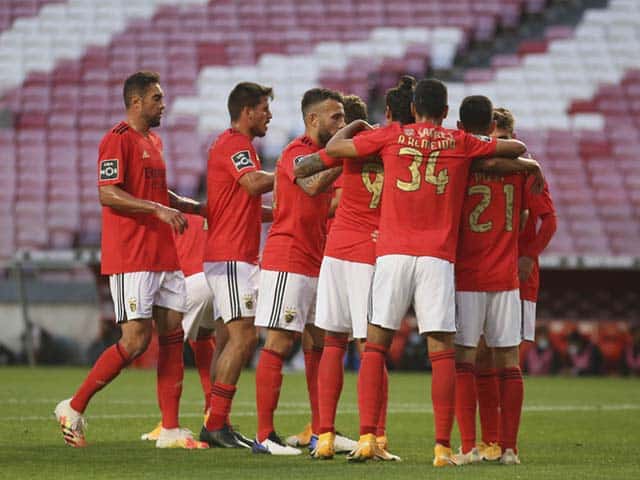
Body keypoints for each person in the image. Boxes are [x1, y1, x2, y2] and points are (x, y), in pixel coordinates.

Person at [322, 78, 542, 465]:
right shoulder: (460, 142)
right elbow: (515, 147)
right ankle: (442, 447)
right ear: (445, 112)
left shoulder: (392, 135)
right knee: (441, 352)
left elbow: (334, 148)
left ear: (412, 110)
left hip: (392, 254)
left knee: (375, 345)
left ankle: (369, 437)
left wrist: (357, 125)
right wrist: (528, 162)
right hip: (438, 258)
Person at [54, 71, 207, 449]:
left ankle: (170, 428)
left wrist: (190, 206)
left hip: (163, 253)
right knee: (136, 341)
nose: (163, 104)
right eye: (157, 98)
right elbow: (108, 193)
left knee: (173, 337)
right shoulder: (116, 140)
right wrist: (156, 209)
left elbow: (154, 190)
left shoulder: (154, 140)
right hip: (132, 256)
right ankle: (72, 407)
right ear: (136, 101)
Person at [293, 77, 416, 461]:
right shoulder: (408, 148)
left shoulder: (359, 143)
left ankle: (325, 436)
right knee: (371, 348)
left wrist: (356, 129)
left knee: (332, 342)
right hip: (373, 250)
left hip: (337, 249)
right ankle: (373, 437)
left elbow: (306, 170)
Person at [252, 88, 344, 455]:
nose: (339, 123)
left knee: (317, 344)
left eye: (342, 117)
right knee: (277, 343)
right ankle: (263, 436)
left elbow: (331, 200)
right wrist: (348, 158)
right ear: (313, 120)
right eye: (334, 117)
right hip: (287, 258)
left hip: (316, 259)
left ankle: (322, 432)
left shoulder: (322, 155)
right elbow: (311, 185)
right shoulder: (296, 152)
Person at [473, 107, 557, 461]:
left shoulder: (525, 170)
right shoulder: (478, 166)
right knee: (479, 357)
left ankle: (510, 445)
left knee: (507, 358)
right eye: (494, 140)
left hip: (518, 277)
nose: (501, 146)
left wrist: (528, 254)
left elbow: (548, 220)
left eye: (506, 140)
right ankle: (490, 441)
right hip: (481, 272)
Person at [452, 96, 528, 466]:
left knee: (464, 361)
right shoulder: (518, 167)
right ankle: (509, 449)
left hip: (467, 274)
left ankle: (469, 447)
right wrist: (531, 164)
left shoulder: (460, 160)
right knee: (509, 362)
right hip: (506, 276)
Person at [199, 82, 275, 448]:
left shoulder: (237, 146)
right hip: (231, 258)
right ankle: (215, 423)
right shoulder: (235, 145)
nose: (269, 116)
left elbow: (240, 204)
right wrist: (291, 173)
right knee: (244, 337)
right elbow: (252, 184)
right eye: (264, 109)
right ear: (247, 112)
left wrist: (282, 213)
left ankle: (216, 420)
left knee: (228, 339)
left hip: (231, 256)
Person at [140, 213, 219, 441]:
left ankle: (167, 423)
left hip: (189, 284)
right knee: (205, 342)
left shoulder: (166, 219)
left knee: (170, 350)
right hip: (215, 282)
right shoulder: (207, 215)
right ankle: (213, 413)